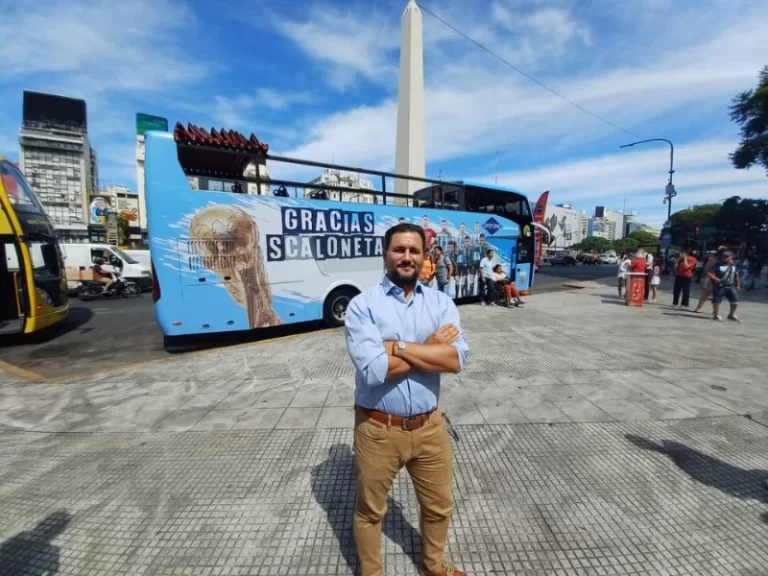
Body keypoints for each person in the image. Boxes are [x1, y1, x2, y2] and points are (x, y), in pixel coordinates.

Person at [344, 222, 470, 576]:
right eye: (399, 249)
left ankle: (434, 567)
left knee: (439, 506)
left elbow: (456, 360)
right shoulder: (362, 306)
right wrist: (430, 348)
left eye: (414, 251)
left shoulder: (442, 303)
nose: (406, 257)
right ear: (385, 254)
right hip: (377, 428)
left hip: (430, 428)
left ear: (424, 257)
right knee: (370, 511)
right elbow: (373, 370)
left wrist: (398, 347)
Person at [708, 251, 741, 322]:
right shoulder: (718, 265)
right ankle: (716, 315)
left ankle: (731, 315)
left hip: (730, 286)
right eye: (724, 256)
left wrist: (738, 285)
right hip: (720, 286)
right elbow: (709, 273)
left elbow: (736, 275)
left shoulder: (734, 265)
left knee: (735, 301)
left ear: (731, 257)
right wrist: (715, 278)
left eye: (727, 256)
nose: (724, 257)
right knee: (716, 301)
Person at [693, 246, 727, 314]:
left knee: (716, 295)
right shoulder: (713, 259)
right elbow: (707, 269)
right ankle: (698, 308)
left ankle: (714, 311)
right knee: (705, 293)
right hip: (709, 277)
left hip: (718, 278)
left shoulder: (724, 260)